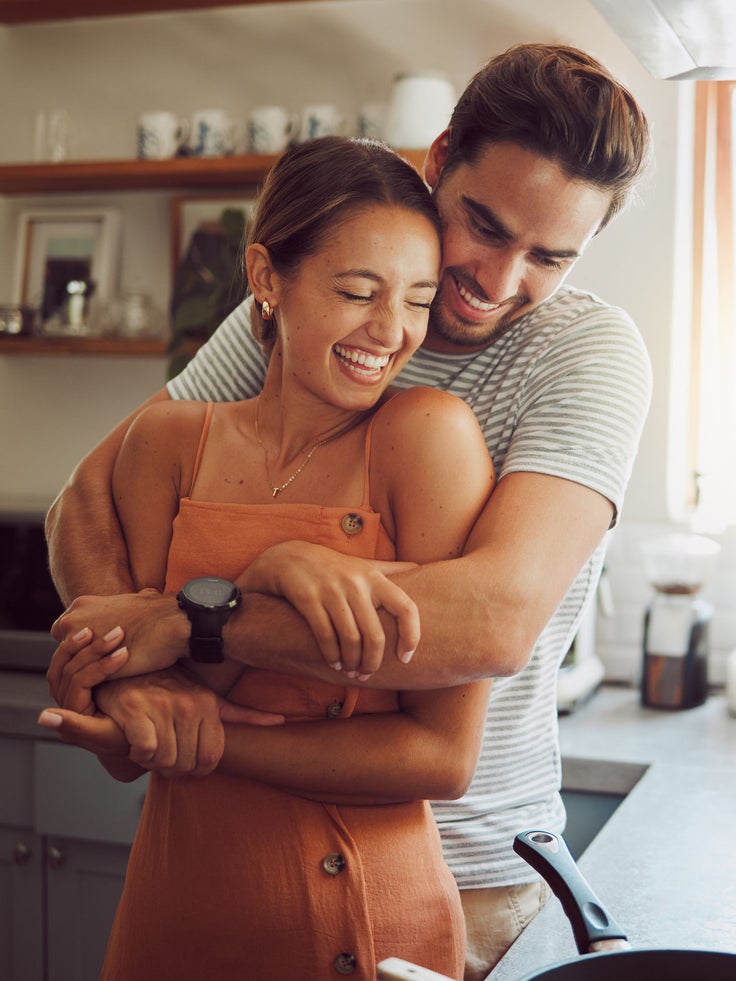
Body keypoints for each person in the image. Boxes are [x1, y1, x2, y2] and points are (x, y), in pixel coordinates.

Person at [42, 43, 653, 980]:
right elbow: (86, 497)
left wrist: (193, 620)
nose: (496, 279)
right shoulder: (331, 302)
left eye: (549, 258)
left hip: (474, 877)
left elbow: (491, 620)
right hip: (236, 850)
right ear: (439, 160)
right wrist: (130, 682)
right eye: (484, 227)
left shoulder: (586, 354)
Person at [60, 136, 494, 980]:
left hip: (371, 917)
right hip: (177, 911)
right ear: (266, 277)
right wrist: (255, 580)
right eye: (357, 291)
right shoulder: (167, 443)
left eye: (415, 298)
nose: (390, 331)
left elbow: (442, 757)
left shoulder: (426, 437)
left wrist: (208, 736)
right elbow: (132, 739)